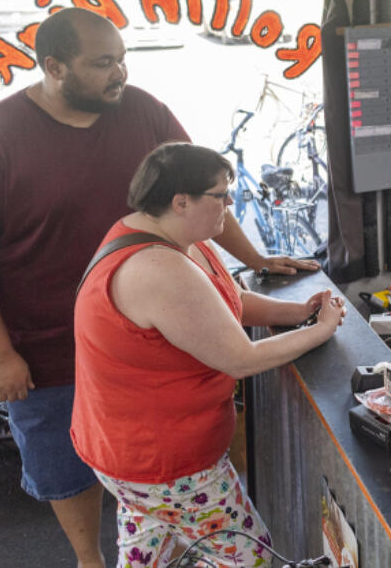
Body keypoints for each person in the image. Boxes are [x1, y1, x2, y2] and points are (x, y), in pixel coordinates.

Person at [0, 8, 316, 568]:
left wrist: (255, 259)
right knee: (67, 465)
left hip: (151, 337)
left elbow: (201, 190)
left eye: (122, 59)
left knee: (155, 473)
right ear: (54, 66)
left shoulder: (143, 112)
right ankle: (89, 559)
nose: (120, 73)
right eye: (103, 62)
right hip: (48, 347)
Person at [72, 142, 345, 565]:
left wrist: (297, 312)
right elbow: (242, 359)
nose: (230, 203)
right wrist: (322, 330)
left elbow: (227, 300)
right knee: (249, 557)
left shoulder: (173, 235)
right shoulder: (157, 269)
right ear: (182, 201)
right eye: (220, 195)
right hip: (165, 463)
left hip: (124, 455)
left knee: (151, 542)